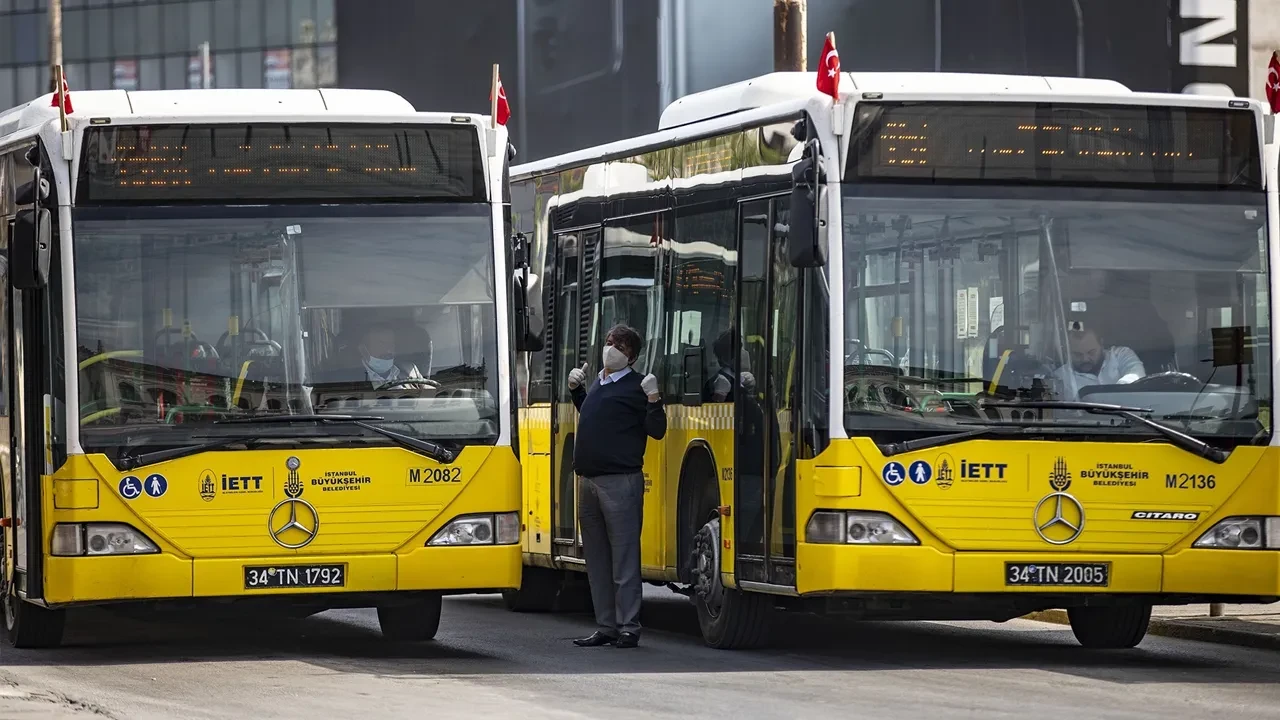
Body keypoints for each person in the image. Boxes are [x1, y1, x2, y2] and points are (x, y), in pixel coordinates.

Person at [568, 324, 666, 649]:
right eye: (609, 341)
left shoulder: (637, 386)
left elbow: (657, 430)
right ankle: (606, 625)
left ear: (632, 356)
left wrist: (654, 399)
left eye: (619, 346)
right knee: (596, 559)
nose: (611, 348)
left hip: (620, 481)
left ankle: (629, 627)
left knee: (623, 558)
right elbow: (597, 415)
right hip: (588, 481)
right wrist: (577, 393)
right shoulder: (600, 381)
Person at [1052, 326, 1145, 399]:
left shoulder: (1121, 355)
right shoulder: (1060, 378)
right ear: (1067, 351)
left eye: (1091, 352)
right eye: (1077, 354)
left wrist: (1120, 390)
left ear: (1101, 344)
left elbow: (1136, 376)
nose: (1085, 359)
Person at [352, 323, 429, 389]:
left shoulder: (410, 371)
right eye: (382, 344)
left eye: (391, 344)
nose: (388, 350)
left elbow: (430, 396)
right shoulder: (349, 379)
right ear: (363, 350)